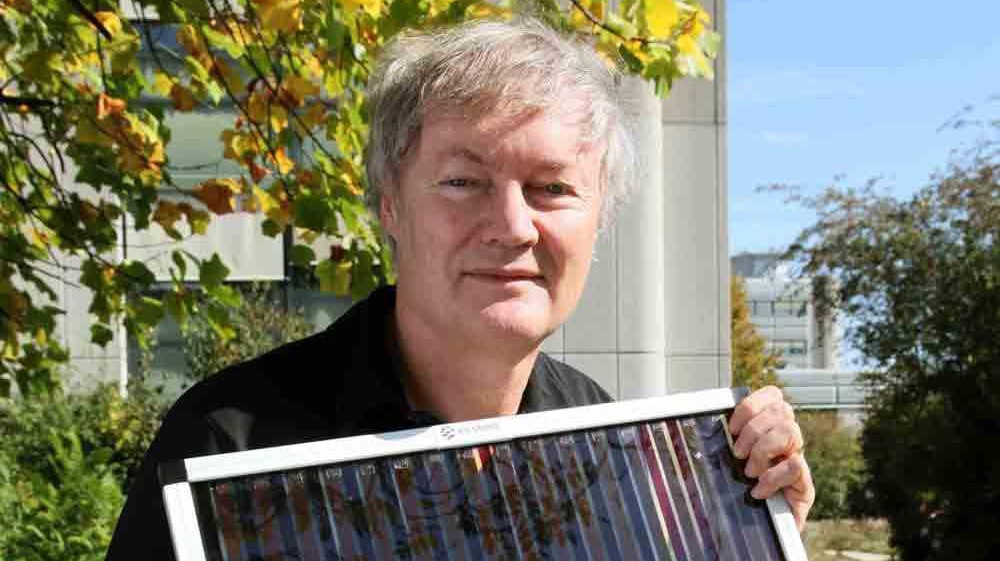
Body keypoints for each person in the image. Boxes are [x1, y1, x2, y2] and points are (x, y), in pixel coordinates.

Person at [106, 18, 813, 559]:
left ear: (600, 220)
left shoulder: (621, 453)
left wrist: (754, 523)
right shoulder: (229, 444)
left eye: (552, 188)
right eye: (462, 181)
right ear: (391, 206)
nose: (512, 226)